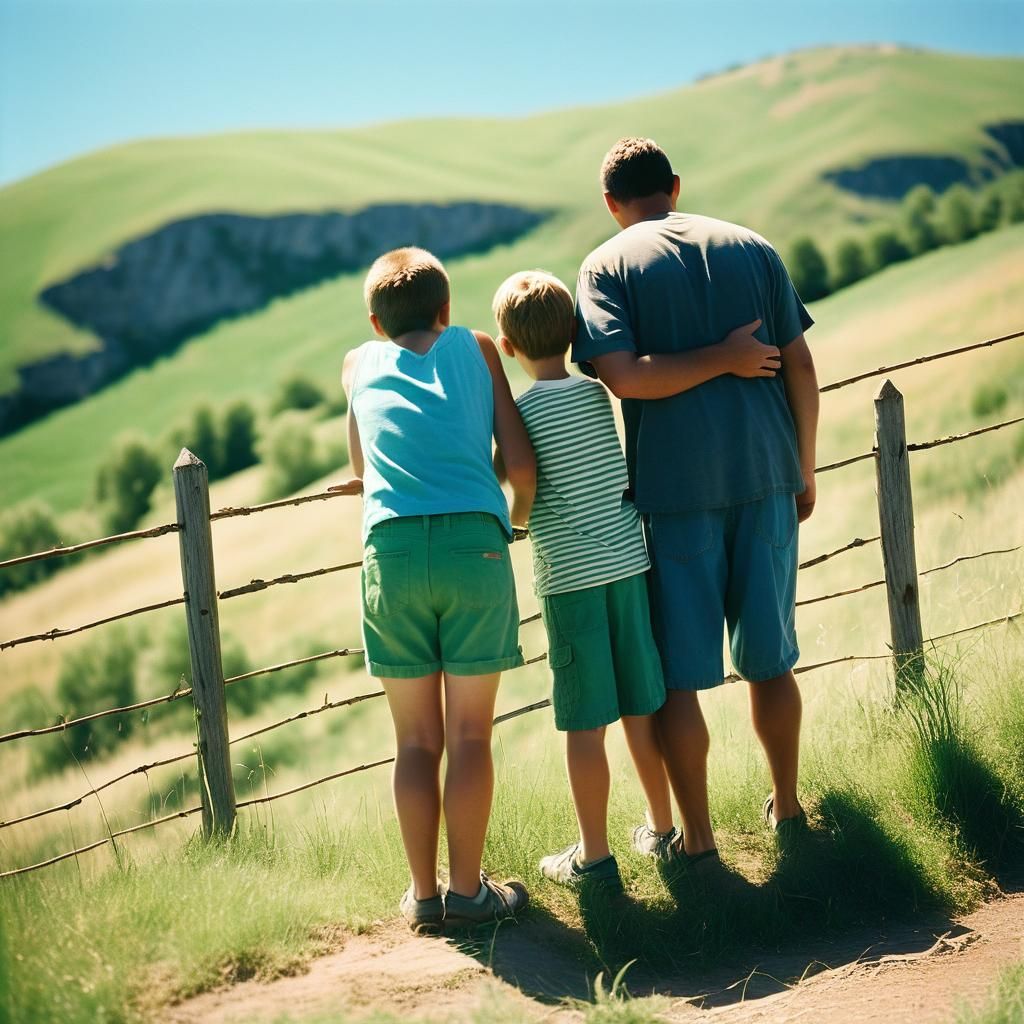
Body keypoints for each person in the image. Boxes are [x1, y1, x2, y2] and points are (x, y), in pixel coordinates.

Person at [572, 137, 820, 869]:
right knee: (772, 662)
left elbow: (621, 376)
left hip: (676, 496)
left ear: (612, 204)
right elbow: (800, 367)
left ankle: (702, 840)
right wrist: (803, 469)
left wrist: (712, 358)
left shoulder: (607, 264)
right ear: (675, 186)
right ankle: (788, 808)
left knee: (682, 676)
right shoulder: (753, 247)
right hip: (768, 474)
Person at [492, 269, 777, 886]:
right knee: (642, 710)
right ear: (573, 331)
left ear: (507, 346)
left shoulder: (518, 415)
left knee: (584, 724)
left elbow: (516, 479)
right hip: (629, 569)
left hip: (569, 580)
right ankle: (661, 827)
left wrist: (512, 525)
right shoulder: (597, 395)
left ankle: (592, 857)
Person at [338, 246, 536, 931]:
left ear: (374, 322)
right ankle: (470, 893)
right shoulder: (478, 348)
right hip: (474, 545)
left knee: (417, 742)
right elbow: (521, 467)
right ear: (446, 310)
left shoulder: (356, 365)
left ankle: (423, 899)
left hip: (390, 551)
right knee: (471, 735)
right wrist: (509, 525)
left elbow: (362, 466)